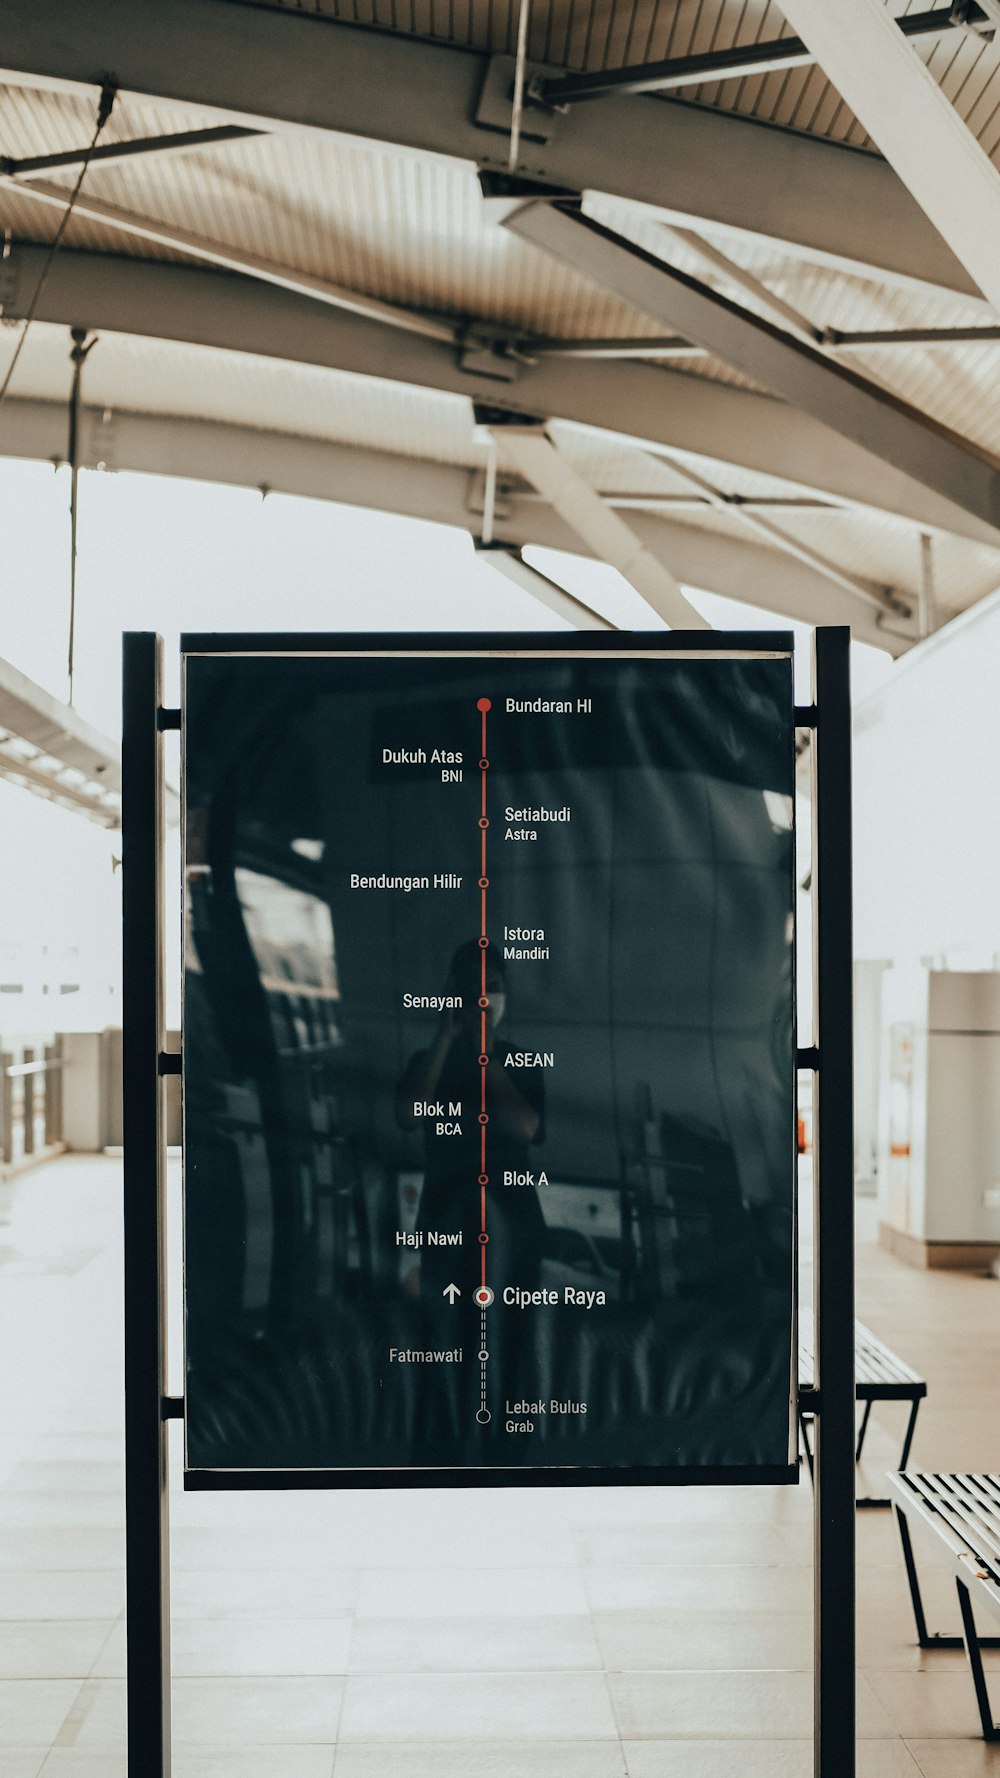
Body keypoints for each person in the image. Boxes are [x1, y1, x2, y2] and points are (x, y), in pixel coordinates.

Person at [395, 939, 547, 1304]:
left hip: (513, 1221)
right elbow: (408, 1115)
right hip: (446, 1220)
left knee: (513, 1335)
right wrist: (443, 1037)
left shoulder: (522, 1061)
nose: (485, 999)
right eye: (474, 988)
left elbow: (527, 1129)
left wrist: (488, 1058)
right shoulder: (427, 1060)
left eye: (494, 988)